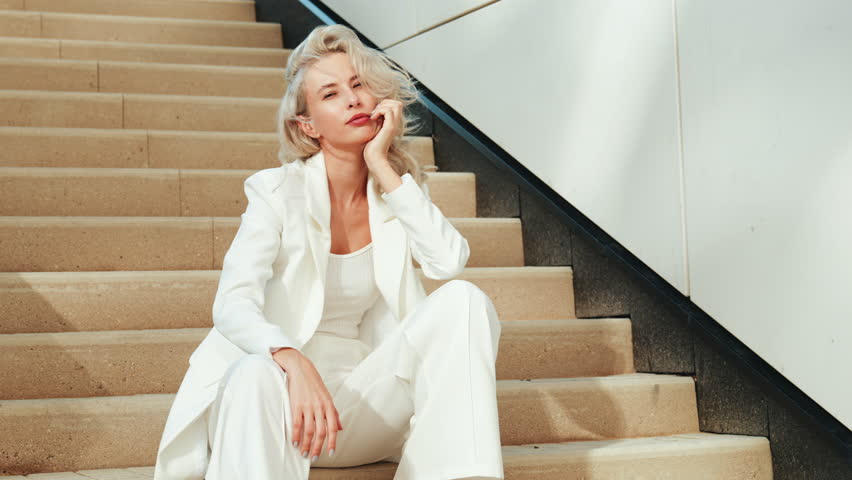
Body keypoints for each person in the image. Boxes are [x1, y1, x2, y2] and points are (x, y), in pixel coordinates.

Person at [153, 24, 503, 480]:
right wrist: (291, 360)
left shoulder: (392, 194)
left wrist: (382, 163)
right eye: (332, 94)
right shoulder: (276, 192)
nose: (354, 99)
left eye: (358, 85)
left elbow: (448, 261)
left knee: (465, 300)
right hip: (277, 407)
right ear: (308, 125)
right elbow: (232, 304)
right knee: (254, 374)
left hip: (357, 409)